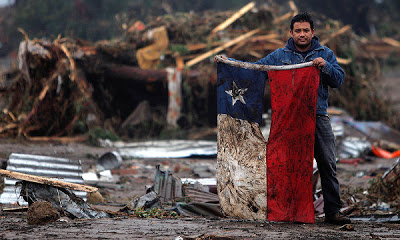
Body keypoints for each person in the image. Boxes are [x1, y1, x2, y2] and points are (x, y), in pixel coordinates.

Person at [215, 12, 350, 225]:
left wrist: (325, 66)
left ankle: (333, 211)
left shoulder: (325, 53)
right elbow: (255, 70)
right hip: (288, 120)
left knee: (327, 163)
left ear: (313, 32)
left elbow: (338, 80)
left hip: (317, 116)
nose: (302, 34)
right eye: (298, 31)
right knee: (285, 164)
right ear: (291, 32)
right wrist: (228, 63)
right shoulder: (279, 55)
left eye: (306, 30)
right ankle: (288, 210)